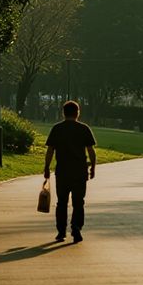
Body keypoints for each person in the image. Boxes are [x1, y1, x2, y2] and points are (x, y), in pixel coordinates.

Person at [44, 100, 96, 244]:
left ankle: (61, 231)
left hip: (62, 171)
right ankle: (76, 228)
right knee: (78, 202)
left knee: (62, 202)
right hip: (79, 171)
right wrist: (93, 167)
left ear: (63, 113)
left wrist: (46, 168)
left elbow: (50, 150)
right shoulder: (84, 128)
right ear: (78, 113)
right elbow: (91, 151)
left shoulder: (57, 128)